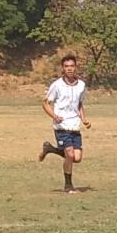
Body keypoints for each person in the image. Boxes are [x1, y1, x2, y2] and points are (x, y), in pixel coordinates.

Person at [39, 54, 90, 193]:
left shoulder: (81, 85)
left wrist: (84, 119)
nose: (69, 69)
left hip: (74, 126)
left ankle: (50, 149)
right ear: (63, 68)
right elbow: (45, 104)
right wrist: (55, 116)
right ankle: (68, 185)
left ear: (75, 67)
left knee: (77, 158)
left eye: (72, 66)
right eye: (66, 66)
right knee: (70, 155)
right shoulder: (57, 85)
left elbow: (79, 104)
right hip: (61, 127)